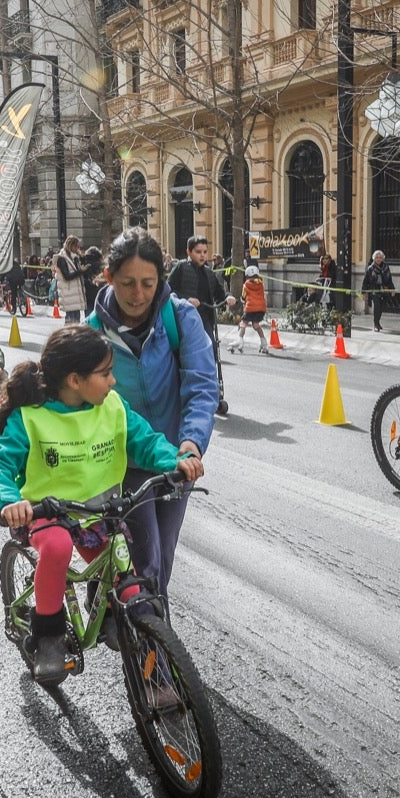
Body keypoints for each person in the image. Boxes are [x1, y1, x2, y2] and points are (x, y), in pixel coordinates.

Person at [0, 325, 204, 682]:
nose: (113, 381)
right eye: (105, 374)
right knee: (56, 548)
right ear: (74, 380)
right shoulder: (31, 418)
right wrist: (10, 500)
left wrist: (174, 460)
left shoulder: (112, 407)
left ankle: (120, 618)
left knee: (129, 581)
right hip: (48, 515)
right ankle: (49, 634)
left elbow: (145, 440)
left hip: (102, 512)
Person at [87, 229, 218, 603]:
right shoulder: (92, 334)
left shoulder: (181, 318)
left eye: (148, 283)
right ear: (109, 277)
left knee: (163, 557)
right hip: (121, 462)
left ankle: (143, 637)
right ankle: (150, 646)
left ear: (161, 278)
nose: (139, 294)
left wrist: (192, 443)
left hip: (175, 458)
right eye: (128, 283)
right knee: (149, 565)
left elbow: (201, 386)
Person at [168, 235, 237, 415]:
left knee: (210, 353)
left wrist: (227, 297)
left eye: (205, 252)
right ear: (189, 252)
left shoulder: (209, 273)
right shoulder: (181, 268)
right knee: (185, 356)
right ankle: (182, 393)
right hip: (184, 320)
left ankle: (212, 393)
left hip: (205, 319)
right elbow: (168, 290)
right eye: (198, 252)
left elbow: (219, 292)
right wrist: (185, 300)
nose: (202, 255)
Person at [232, 264, 269, 353]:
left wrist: (241, 300)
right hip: (261, 308)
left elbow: (243, 297)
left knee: (243, 324)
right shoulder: (261, 284)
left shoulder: (246, 285)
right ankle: (264, 343)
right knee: (256, 325)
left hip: (250, 308)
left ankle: (240, 341)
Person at [53, 236, 88, 322]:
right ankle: (68, 335)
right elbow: (67, 276)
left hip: (75, 293)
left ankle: (73, 335)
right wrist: (80, 271)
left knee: (76, 319)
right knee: (71, 319)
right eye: (76, 246)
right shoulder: (62, 258)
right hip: (68, 293)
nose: (77, 249)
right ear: (70, 246)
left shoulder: (74, 257)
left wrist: (81, 257)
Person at [362, 250, 395, 331]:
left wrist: (392, 289)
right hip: (374, 290)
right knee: (376, 307)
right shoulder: (370, 268)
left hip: (384, 290)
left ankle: (377, 322)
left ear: (382, 258)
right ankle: (376, 323)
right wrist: (363, 293)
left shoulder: (386, 267)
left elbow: (389, 279)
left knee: (381, 307)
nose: (378, 259)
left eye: (380, 258)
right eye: (377, 258)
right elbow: (365, 281)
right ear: (374, 259)